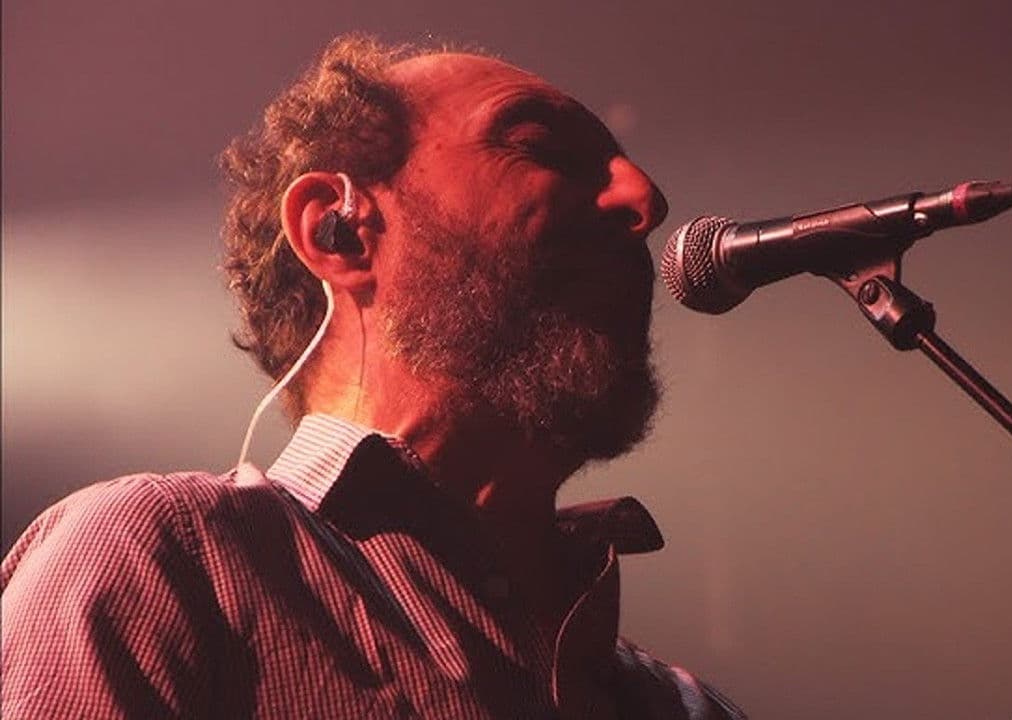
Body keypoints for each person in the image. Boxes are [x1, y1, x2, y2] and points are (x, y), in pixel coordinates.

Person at [1, 34, 744, 719]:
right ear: (340, 230)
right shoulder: (160, 558)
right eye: (537, 145)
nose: (644, 198)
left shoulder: (682, 706)